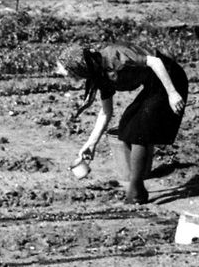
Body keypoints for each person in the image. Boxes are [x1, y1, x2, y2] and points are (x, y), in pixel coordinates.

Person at [58, 42, 188, 204]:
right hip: (153, 83)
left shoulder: (114, 55)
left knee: (139, 130)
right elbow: (106, 112)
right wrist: (91, 144)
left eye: (72, 75)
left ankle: (136, 190)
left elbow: (155, 62)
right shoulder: (99, 76)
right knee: (127, 125)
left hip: (169, 77)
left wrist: (173, 93)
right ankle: (138, 178)